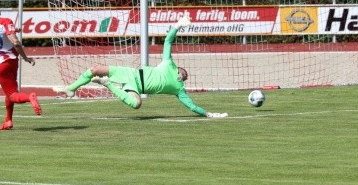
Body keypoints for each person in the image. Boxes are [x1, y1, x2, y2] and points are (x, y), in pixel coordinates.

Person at [53, 16, 228, 118]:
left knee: (137, 104)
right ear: (179, 69)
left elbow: (191, 106)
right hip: (132, 73)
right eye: (183, 71)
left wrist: (208, 114)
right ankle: (71, 89)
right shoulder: (168, 63)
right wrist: (177, 26)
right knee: (94, 69)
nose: (184, 74)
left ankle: (108, 84)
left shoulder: (179, 90)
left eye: (186, 76)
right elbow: (168, 41)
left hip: (135, 86)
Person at [0, 0, 42, 130]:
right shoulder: (6, 21)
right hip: (12, 60)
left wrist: (12, 32)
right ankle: (8, 120)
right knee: (9, 92)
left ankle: (30, 97)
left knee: (12, 94)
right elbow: (16, 42)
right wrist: (26, 58)